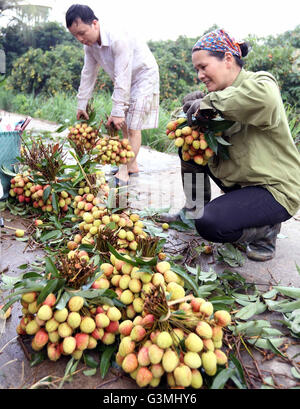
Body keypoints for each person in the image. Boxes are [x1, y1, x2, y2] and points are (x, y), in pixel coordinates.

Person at [160, 29, 300, 262]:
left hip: (274, 189)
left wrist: (207, 102)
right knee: (188, 148)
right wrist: (195, 116)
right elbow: (209, 141)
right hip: (240, 184)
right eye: (197, 70)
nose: (200, 75)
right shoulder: (217, 94)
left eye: (203, 67)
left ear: (227, 58)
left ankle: (266, 231)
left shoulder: (261, 82)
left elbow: (263, 100)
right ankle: (192, 209)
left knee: (211, 224)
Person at [65, 4, 160, 184]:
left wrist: (117, 111)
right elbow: (88, 73)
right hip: (124, 80)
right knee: (123, 125)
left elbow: (122, 74)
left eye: (82, 33)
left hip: (144, 76)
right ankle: (132, 166)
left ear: (94, 24)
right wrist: (82, 104)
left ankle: (123, 172)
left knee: (132, 126)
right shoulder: (90, 47)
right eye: (75, 35)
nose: (80, 39)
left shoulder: (118, 37)